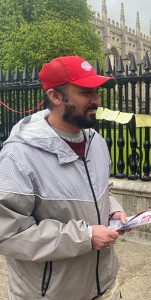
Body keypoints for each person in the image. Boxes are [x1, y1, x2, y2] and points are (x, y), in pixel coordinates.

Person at [0, 56, 128, 299]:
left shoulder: (96, 142)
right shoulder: (18, 156)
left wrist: (113, 210)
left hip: (105, 286)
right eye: (86, 92)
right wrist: (86, 237)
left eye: (96, 91)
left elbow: (98, 190)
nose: (97, 100)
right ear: (55, 97)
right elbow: (8, 233)